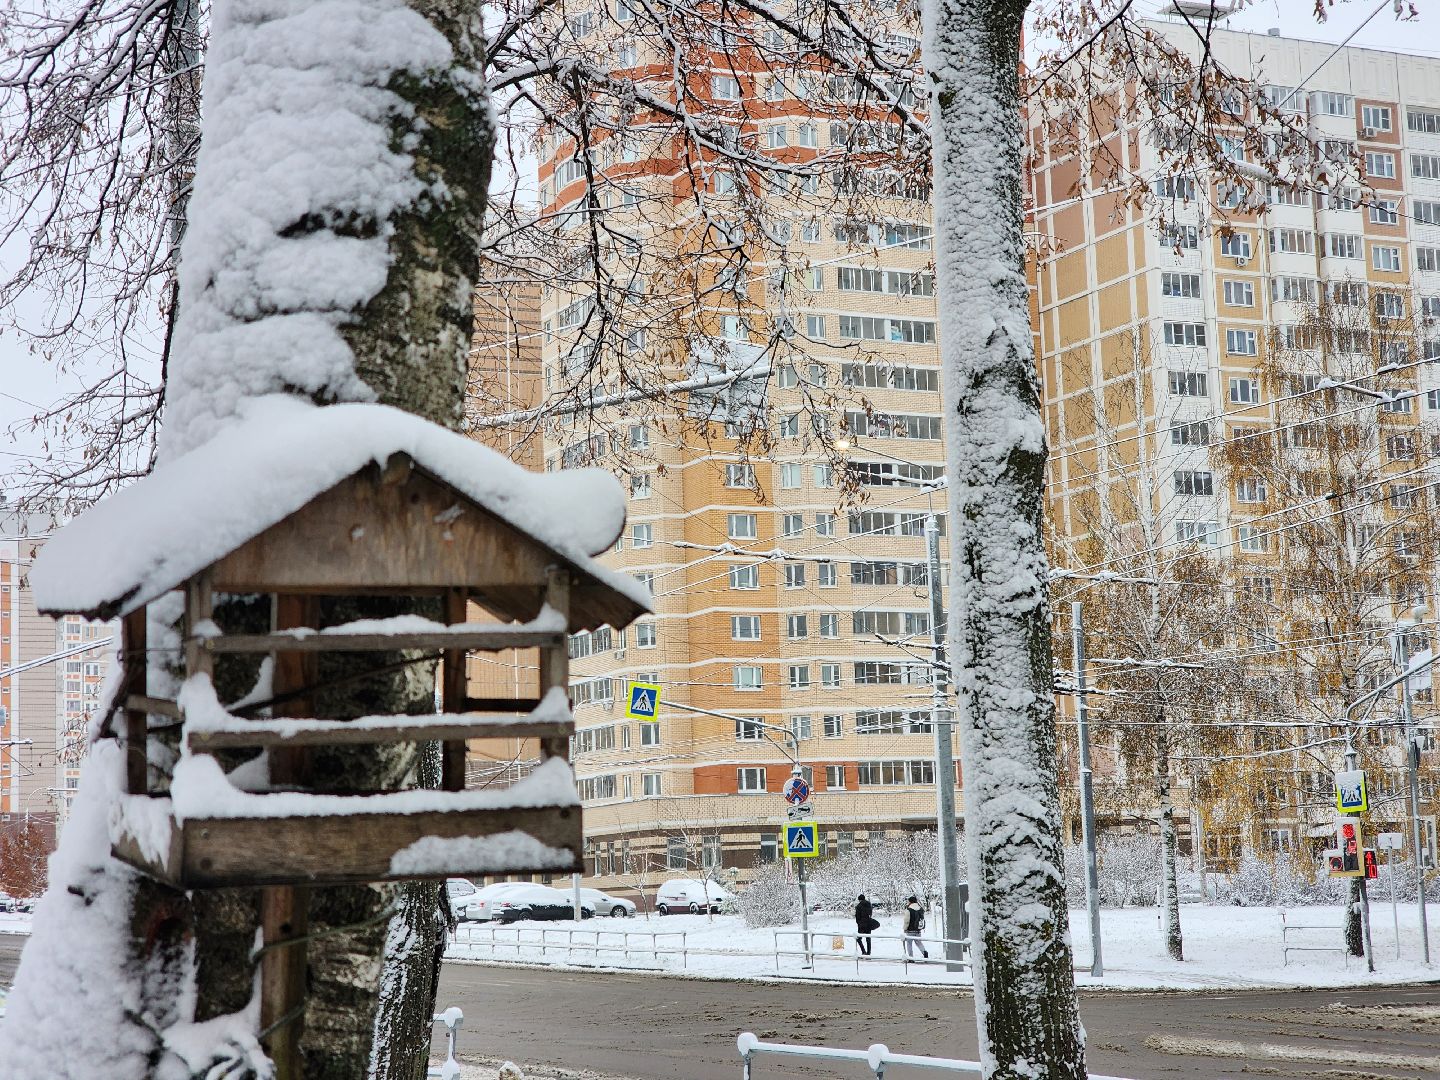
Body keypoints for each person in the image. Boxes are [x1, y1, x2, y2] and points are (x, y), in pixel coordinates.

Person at [902, 895, 928, 960]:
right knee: (918, 942)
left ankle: (911, 958)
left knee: (909, 943)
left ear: (910, 902)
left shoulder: (909, 909)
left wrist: (905, 928)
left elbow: (906, 921)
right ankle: (924, 952)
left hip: (910, 930)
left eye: (908, 901)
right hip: (918, 929)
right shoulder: (920, 909)